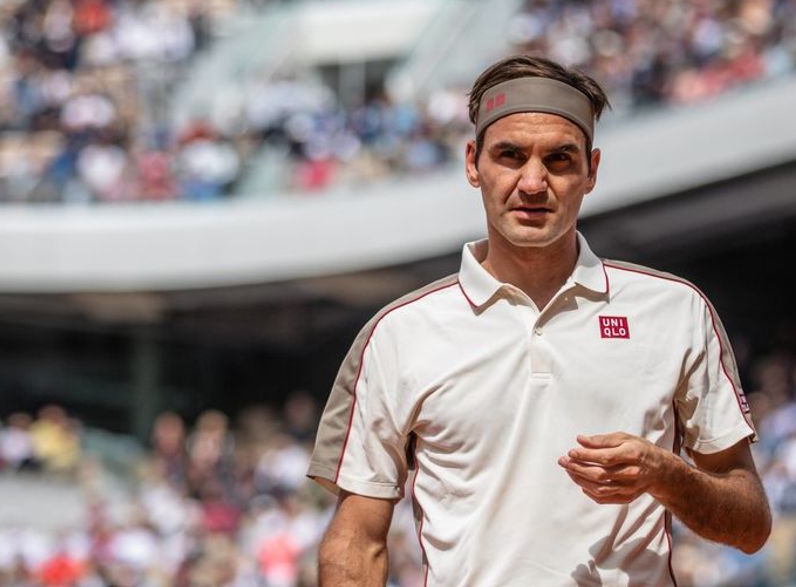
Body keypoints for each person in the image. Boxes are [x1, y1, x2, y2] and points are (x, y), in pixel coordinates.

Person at [307, 55, 771, 585]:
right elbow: (357, 540)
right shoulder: (397, 333)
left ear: (591, 171)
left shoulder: (676, 310)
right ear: (472, 163)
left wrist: (667, 476)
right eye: (510, 155)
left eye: (559, 159)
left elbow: (751, 525)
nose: (532, 182)